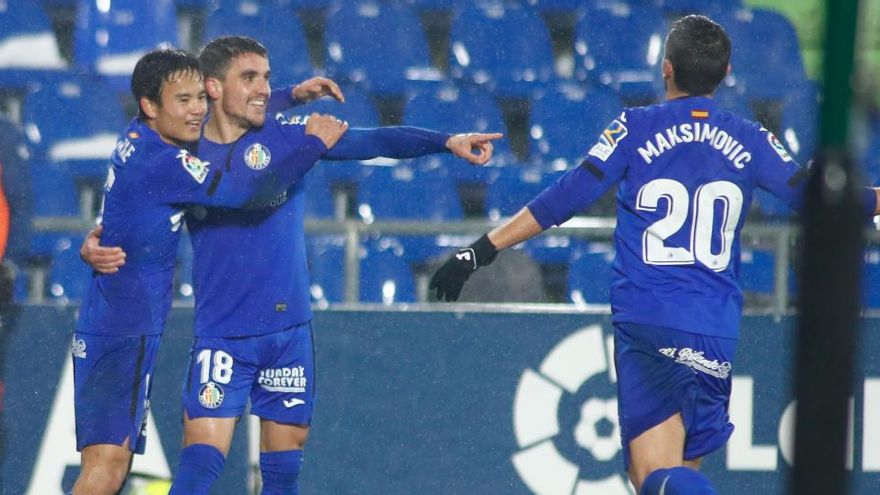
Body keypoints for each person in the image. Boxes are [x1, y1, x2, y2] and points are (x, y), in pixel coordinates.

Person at [429, 15, 880, 495]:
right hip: (714, 327)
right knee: (680, 473)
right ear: (726, 71)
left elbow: (566, 197)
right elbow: (822, 198)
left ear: (666, 69)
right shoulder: (750, 139)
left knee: (651, 477)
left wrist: (480, 251)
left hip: (649, 316)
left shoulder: (635, 127)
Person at [83, 36, 502, 494]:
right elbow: (171, 191)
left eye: (267, 77)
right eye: (250, 78)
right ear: (214, 89)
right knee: (199, 468)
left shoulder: (286, 131)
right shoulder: (183, 143)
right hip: (221, 333)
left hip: (288, 333)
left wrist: (446, 141)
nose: (264, 87)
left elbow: (376, 141)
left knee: (283, 476)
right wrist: (96, 241)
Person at [71, 48, 350, 495]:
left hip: (112, 319)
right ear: (150, 105)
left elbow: (124, 210)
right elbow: (245, 192)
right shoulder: (168, 162)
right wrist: (313, 144)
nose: (198, 109)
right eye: (184, 100)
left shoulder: (140, 135)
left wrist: (287, 96)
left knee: (109, 466)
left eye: (200, 96)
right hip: (124, 328)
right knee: (105, 470)